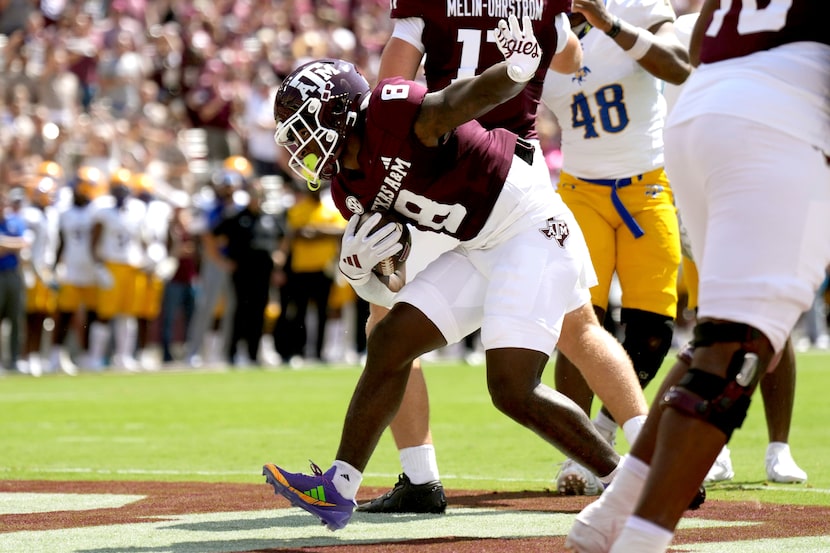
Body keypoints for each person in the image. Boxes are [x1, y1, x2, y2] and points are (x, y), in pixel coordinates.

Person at [262, 16, 638, 532]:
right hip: (478, 243)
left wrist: (515, 71)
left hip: (529, 228)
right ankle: (339, 487)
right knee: (389, 340)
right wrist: (360, 276)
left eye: (302, 130)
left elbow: (455, 101)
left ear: (336, 114)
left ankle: (630, 482)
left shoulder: (391, 114)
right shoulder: (347, 187)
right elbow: (391, 277)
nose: (297, 148)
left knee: (511, 388)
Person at [357, 0, 653, 512]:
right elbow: (569, 60)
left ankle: (421, 478)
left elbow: (391, 89)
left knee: (387, 322)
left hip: (442, 173)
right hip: (520, 171)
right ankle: (652, 452)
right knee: (578, 328)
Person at [565, 1, 829, 551]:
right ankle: (640, 541)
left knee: (719, 342)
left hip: (701, 115)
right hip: (780, 120)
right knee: (740, 352)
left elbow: (701, 42)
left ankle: (608, 517)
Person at [541, 0, 690, 490]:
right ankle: (576, 454)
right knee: (582, 326)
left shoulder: (636, 5)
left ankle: (601, 432)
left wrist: (610, 24)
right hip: (580, 191)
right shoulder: (545, 24)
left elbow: (677, 67)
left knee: (653, 332)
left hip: (647, 185)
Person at [205, 180, 286, 366]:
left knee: (259, 312)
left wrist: (279, 257)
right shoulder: (236, 217)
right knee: (240, 310)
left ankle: (252, 354)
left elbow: (283, 237)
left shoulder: (270, 218)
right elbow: (210, 236)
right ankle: (233, 353)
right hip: (242, 272)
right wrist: (221, 261)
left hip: (264, 272)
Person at [87, 168, 147, 371]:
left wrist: (150, 256)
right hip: (111, 265)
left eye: (124, 189)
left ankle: (124, 356)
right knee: (104, 314)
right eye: (117, 189)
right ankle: (95, 357)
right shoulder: (102, 211)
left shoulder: (138, 210)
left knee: (128, 314)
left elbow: (143, 238)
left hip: (132, 265)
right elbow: (93, 241)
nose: (121, 193)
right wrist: (98, 266)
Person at [50, 166, 106, 375]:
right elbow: (61, 242)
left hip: (92, 270)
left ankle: (88, 355)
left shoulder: (98, 209)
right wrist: (56, 267)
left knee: (92, 314)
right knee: (65, 314)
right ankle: (56, 355)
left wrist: (101, 265)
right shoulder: (65, 211)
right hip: (72, 269)